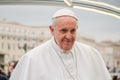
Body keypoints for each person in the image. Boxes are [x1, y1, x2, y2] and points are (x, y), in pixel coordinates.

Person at [10, 8, 111, 80]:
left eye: (73, 31)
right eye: (63, 31)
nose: (69, 36)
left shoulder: (92, 54)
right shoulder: (32, 59)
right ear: (52, 30)